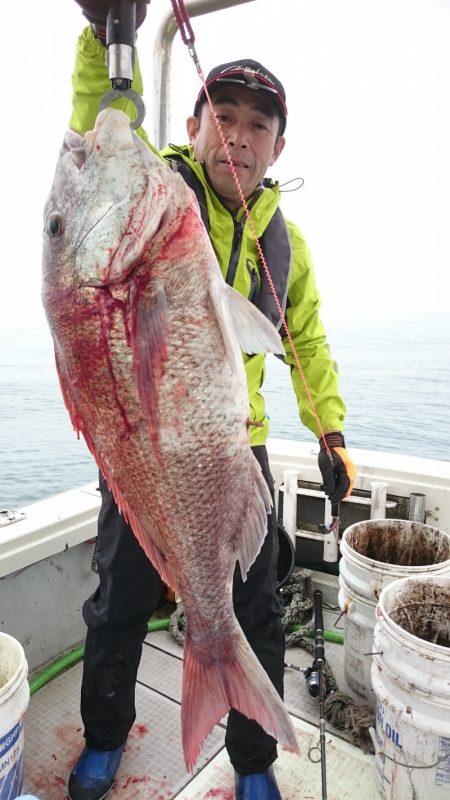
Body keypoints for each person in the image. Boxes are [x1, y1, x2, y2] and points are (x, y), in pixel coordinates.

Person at [67, 5, 357, 800]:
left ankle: (253, 762)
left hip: (237, 446)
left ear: (278, 147)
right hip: (150, 452)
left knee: (255, 610)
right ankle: (102, 737)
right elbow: (100, 127)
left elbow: (306, 341)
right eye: (222, 116)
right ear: (191, 124)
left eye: (257, 126)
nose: (238, 135)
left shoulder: (283, 242)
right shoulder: (156, 194)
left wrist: (329, 429)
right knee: (119, 601)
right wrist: (106, 42)